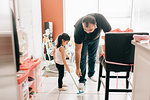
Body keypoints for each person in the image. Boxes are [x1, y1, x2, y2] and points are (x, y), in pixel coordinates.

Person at [74, 13, 111, 91]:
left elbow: (109, 35)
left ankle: (91, 74)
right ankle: (82, 80)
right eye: (85, 30)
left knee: (92, 56)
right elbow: (77, 51)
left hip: (95, 39)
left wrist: (107, 50)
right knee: (83, 58)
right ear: (82, 25)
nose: (87, 32)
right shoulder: (78, 29)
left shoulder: (101, 19)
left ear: (96, 25)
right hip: (84, 41)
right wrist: (77, 68)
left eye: (90, 30)